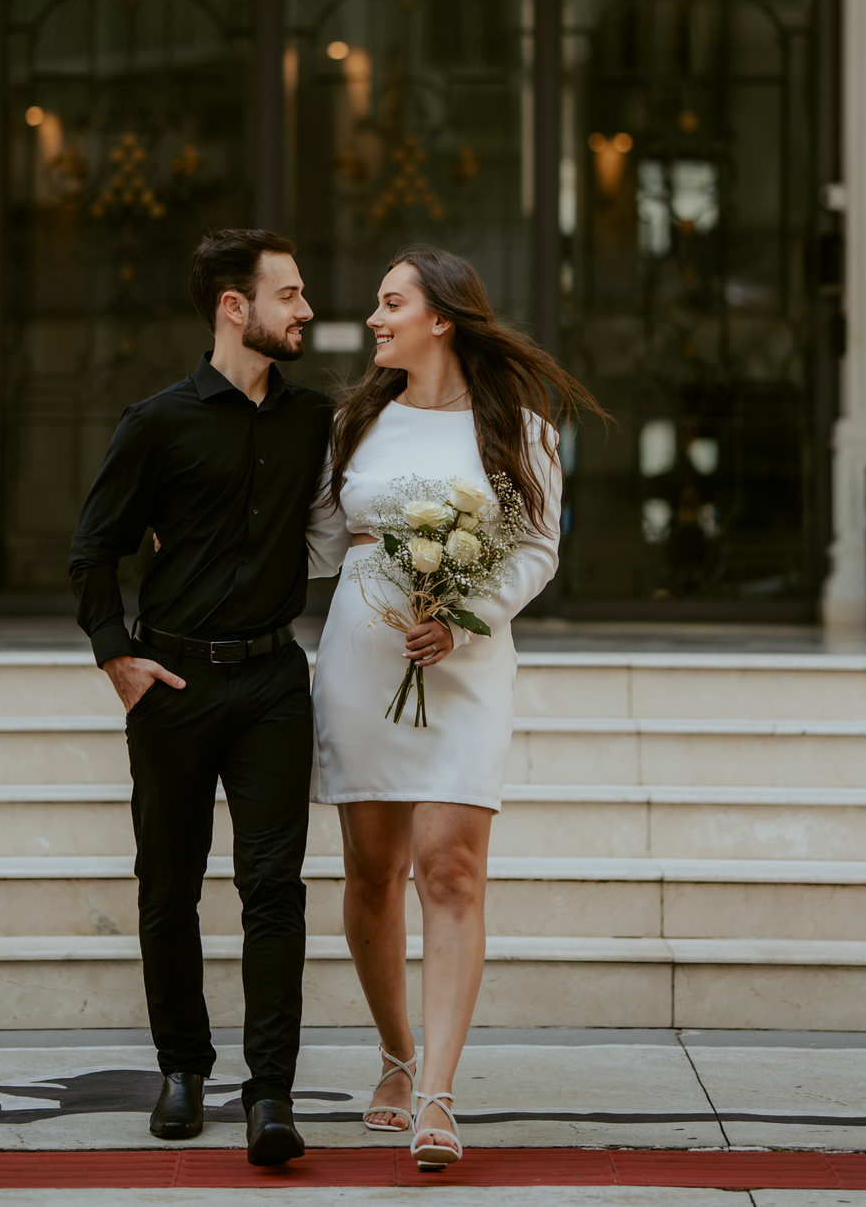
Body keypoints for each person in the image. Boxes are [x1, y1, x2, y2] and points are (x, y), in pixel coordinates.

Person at [306, 245, 604, 1172]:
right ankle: (394, 1055)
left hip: (467, 667)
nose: (375, 318)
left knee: (453, 869)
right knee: (371, 871)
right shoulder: (355, 423)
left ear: (442, 315)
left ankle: (436, 1092)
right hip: (362, 660)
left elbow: (535, 549)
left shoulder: (519, 430)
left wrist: (465, 616)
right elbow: (317, 545)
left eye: (391, 302)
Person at [69, 229, 332, 1166]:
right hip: (172, 682)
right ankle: (182, 1068)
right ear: (236, 306)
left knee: (274, 890)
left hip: (271, 683)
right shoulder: (156, 422)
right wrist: (118, 659)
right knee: (168, 884)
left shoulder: (315, 422)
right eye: (290, 294)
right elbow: (92, 548)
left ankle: (271, 1095)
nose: (306, 310)